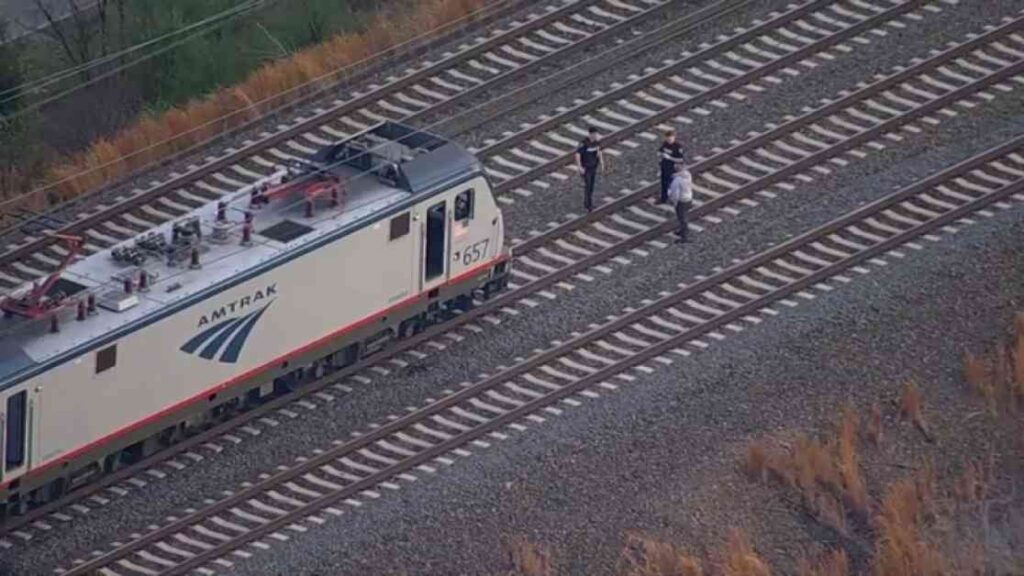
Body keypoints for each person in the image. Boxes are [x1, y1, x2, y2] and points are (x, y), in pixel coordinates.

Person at [575, 126, 604, 211]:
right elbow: (577, 154)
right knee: (588, 186)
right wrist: (580, 167)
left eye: (596, 134)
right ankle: (588, 205)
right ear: (590, 134)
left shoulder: (596, 142)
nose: (595, 136)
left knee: (591, 186)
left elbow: (599, 151)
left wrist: (601, 162)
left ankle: (589, 203)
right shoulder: (584, 143)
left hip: (593, 167)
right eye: (594, 134)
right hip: (586, 168)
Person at [667, 163, 693, 243]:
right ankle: (682, 231)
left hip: (681, 201)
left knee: (682, 218)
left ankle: (684, 237)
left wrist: (674, 202)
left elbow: (675, 193)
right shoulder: (688, 175)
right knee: (684, 216)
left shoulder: (677, 180)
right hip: (689, 198)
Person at [658, 129, 686, 204]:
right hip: (665, 166)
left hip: (674, 168)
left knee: (673, 185)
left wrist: (670, 158)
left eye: (670, 139)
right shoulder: (665, 144)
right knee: (664, 184)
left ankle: (675, 199)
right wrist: (660, 155)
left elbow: (681, 159)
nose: (669, 141)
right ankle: (663, 198)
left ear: (674, 137)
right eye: (667, 139)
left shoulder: (678, 147)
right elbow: (661, 151)